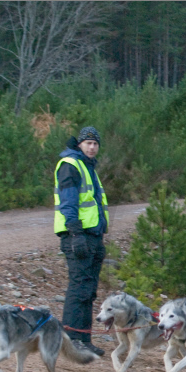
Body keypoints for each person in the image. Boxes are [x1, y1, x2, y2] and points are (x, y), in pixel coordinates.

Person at [54, 126, 109, 357]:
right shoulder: (70, 164)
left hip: (93, 237)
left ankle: (84, 339)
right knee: (78, 288)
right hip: (78, 236)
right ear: (80, 144)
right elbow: (68, 202)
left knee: (89, 290)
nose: (92, 147)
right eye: (88, 143)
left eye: (95, 143)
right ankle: (71, 340)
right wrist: (75, 233)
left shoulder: (88, 168)